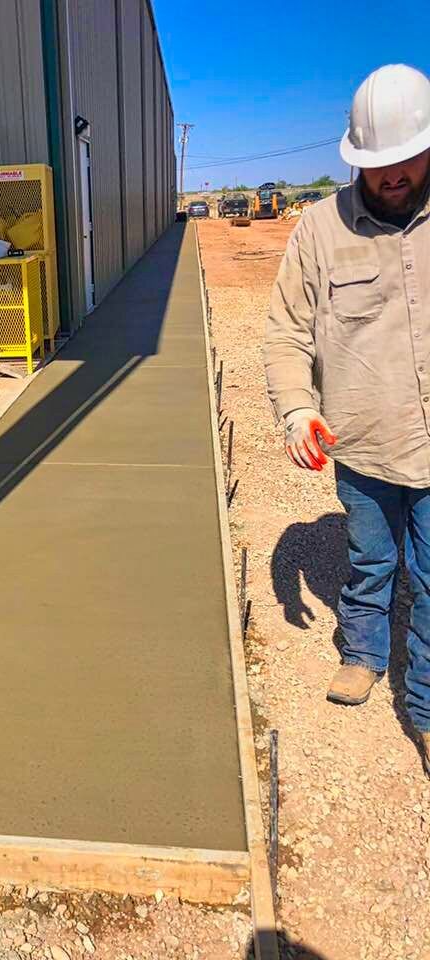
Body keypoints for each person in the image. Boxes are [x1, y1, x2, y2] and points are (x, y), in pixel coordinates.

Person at [264, 64, 430, 775]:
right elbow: (284, 333)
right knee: (371, 558)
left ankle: (423, 707)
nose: (392, 175)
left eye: (406, 160)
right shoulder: (319, 229)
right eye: (377, 164)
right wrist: (297, 409)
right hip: (362, 442)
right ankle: (362, 653)